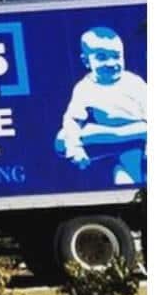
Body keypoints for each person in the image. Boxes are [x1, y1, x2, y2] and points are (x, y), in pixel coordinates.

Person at [55, 25, 145, 185]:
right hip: (109, 136)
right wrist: (75, 148)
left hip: (138, 135)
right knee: (62, 139)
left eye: (116, 56)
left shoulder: (134, 82)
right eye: (102, 57)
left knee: (129, 177)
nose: (111, 63)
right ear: (86, 61)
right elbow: (73, 120)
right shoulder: (84, 88)